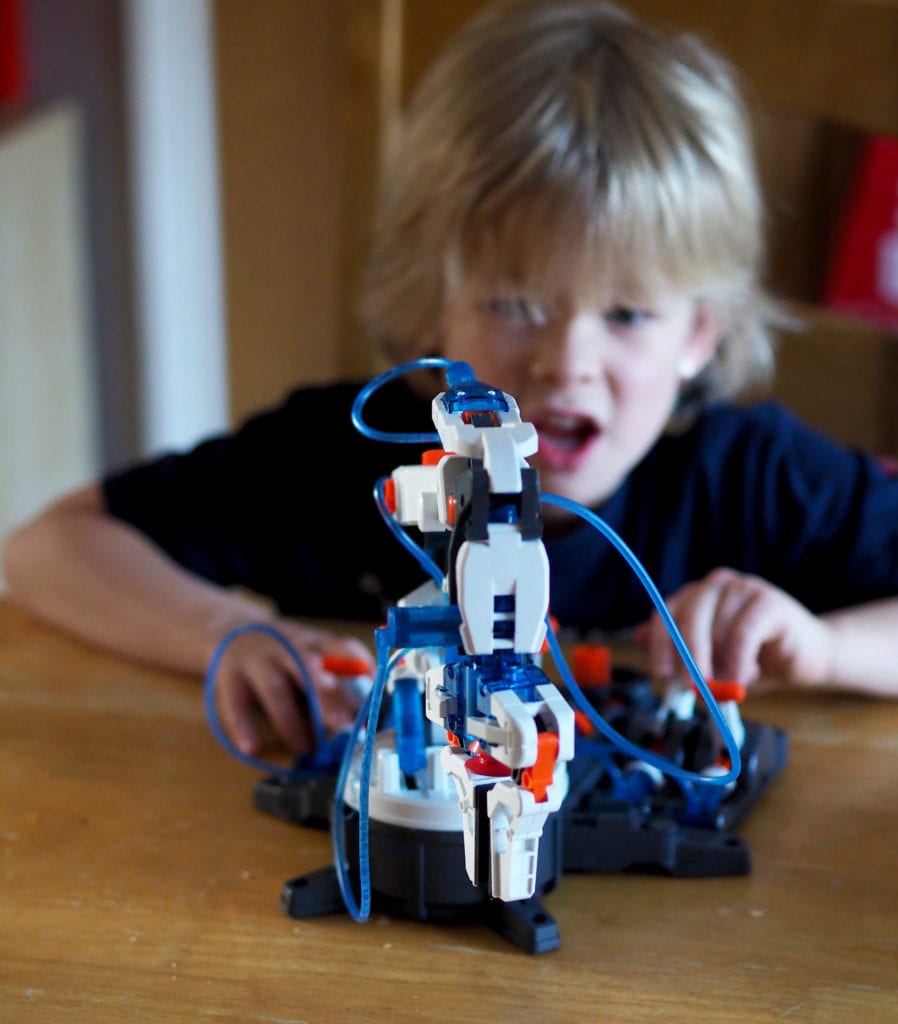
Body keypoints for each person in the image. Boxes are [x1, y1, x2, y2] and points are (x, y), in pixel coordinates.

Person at [5, 0, 898, 762]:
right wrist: (223, 635)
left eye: (627, 316)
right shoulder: (334, 460)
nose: (567, 363)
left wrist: (825, 647)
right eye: (515, 303)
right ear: (434, 309)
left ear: (699, 334)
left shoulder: (757, 479)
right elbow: (46, 548)